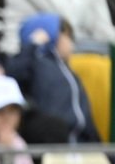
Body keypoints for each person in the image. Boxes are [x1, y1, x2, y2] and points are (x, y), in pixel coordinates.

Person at [6, 13, 101, 146]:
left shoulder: (67, 71)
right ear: (52, 35)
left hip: (81, 142)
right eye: (67, 36)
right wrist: (33, 44)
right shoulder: (35, 62)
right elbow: (14, 74)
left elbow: (84, 115)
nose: (71, 43)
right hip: (54, 142)